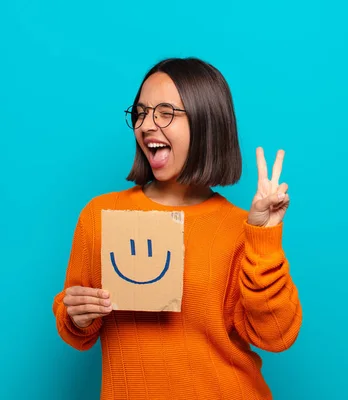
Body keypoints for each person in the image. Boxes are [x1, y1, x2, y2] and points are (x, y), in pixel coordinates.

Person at [52, 57, 302, 400]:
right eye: (141, 113)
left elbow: (276, 334)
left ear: (205, 122)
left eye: (165, 112)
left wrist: (264, 238)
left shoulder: (238, 227)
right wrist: (77, 315)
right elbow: (75, 327)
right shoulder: (100, 215)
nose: (147, 125)